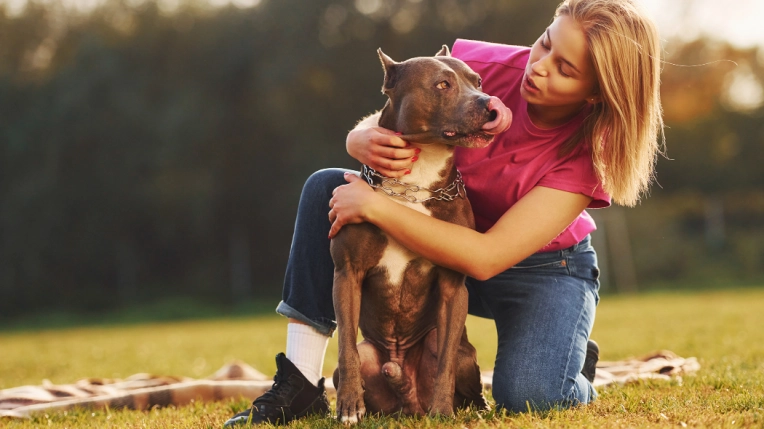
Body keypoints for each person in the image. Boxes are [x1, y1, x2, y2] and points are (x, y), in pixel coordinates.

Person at [224, 0, 664, 425]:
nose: (540, 65)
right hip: (441, 245)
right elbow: (402, 101)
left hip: (541, 269)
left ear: (594, 94)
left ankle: (573, 365)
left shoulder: (587, 154)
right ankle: (299, 384)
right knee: (327, 187)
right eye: (546, 42)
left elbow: (486, 257)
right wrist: (359, 137)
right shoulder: (485, 69)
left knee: (532, 394)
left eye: (565, 69)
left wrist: (375, 205)